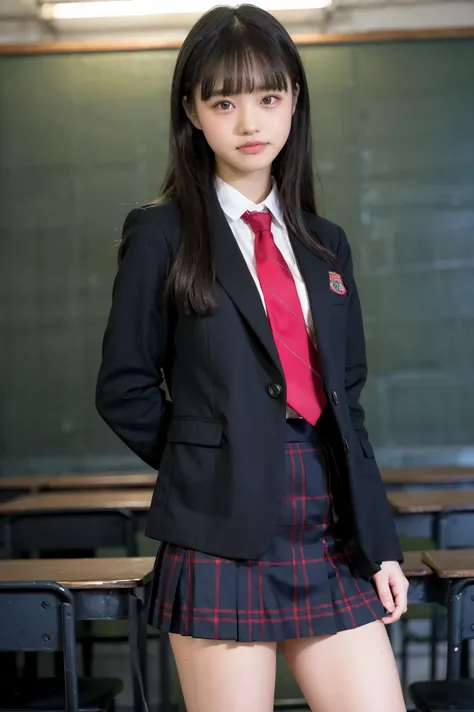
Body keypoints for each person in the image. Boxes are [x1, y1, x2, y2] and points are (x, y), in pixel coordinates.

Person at [96, 4, 409, 711]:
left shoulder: (324, 243)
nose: (249, 122)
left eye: (269, 97)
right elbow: (124, 388)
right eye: (224, 101)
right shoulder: (161, 233)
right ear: (192, 111)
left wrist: (381, 544)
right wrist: (208, 465)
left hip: (328, 530)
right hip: (218, 531)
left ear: (295, 101)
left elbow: (346, 403)